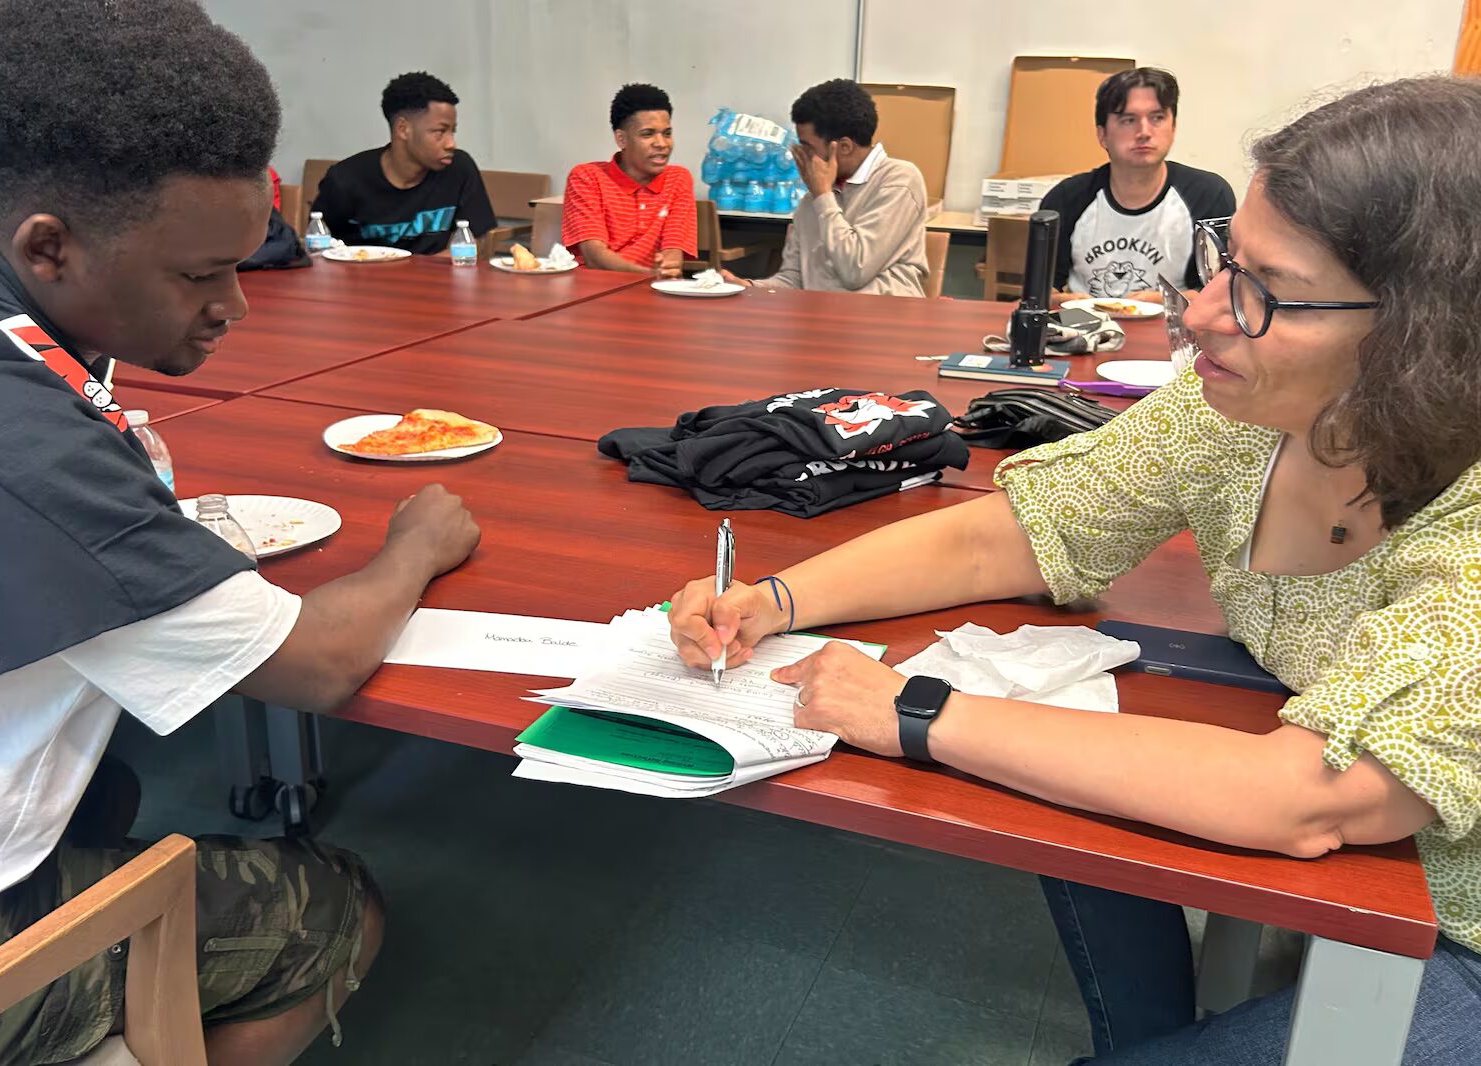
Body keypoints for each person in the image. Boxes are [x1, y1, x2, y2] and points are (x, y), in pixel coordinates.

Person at [669, 76, 1481, 1065]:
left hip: (1457, 921)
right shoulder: (1238, 412)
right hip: (1367, 834)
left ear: (1419, 337)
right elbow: (1007, 534)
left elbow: (1304, 797)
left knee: (1036, 738)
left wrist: (912, 711)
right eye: (1226, 260)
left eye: (1263, 292)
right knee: (1066, 747)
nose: (1201, 312)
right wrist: (773, 598)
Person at [0, 1, 481, 1063]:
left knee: (107, 787)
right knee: (328, 909)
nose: (234, 308)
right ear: (50, 246)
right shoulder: (20, 451)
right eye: (200, 275)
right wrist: (415, 546)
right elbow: (319, 661)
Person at [1041, 67, 1235, 305]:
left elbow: (1226, 291)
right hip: (1085, 332)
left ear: (1173, 127)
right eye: (1128, 120)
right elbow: (1040, 292)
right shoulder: (1066, 198)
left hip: (1176, 333)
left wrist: (1170, 301)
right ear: (1102, 135)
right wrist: (1060, 302)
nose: (1144, 132)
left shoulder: (1209, 194)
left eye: (1157, 118)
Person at [723, 78, 927, 298]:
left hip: (882, 321)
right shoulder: (812, 200)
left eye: (807, 148)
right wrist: (749, 287)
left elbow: (855, 270)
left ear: (845, 147)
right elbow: (795, 279)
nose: (799, 157)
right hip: (824, 317)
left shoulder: (899, 180)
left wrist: (823, 196)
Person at [311, 71, 495, 255]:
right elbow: (319, 248)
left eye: (452, 132)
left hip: (434, 281)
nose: (451, 144)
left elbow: (476, 241)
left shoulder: (458, 169)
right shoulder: (345, 181)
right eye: (440, 132)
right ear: (403, 129)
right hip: (363, 279)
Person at [561, 83, 697, 277]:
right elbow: (594, 257)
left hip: (653, 293)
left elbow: (673, 252)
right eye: (648, 134)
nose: (661, 143)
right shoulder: (586, 177)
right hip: (595, 291)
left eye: (667, 133)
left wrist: (666, 270)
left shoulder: (678, 179)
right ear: (621, 139)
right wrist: (649, 275)